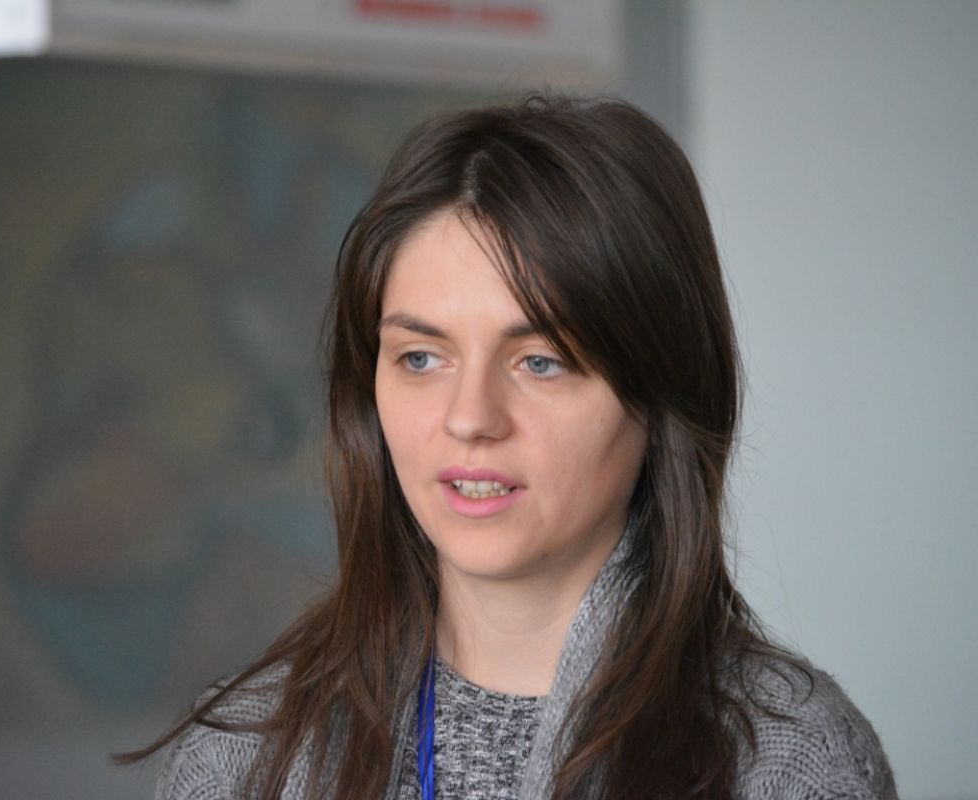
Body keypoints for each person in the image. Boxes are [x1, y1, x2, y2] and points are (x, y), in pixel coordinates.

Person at [124, 95, 897, 799]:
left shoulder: (788, 763)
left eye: (541, 362)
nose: (470, 418)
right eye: (420, 358)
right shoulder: (244, 755)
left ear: (660, 393)